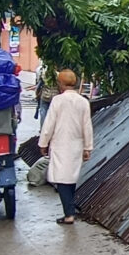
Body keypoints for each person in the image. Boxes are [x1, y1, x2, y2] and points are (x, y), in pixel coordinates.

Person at [38, 69, 92, 225]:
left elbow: (49, 124)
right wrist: (87, 147)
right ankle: (69, 210)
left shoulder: (57, 101)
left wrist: (43, 143)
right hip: (76, 144)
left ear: (60, 84)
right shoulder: (83, 101)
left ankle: (69, 214)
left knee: (62, 179)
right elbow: (87, 126)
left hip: (61, 144)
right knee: (71, 177)